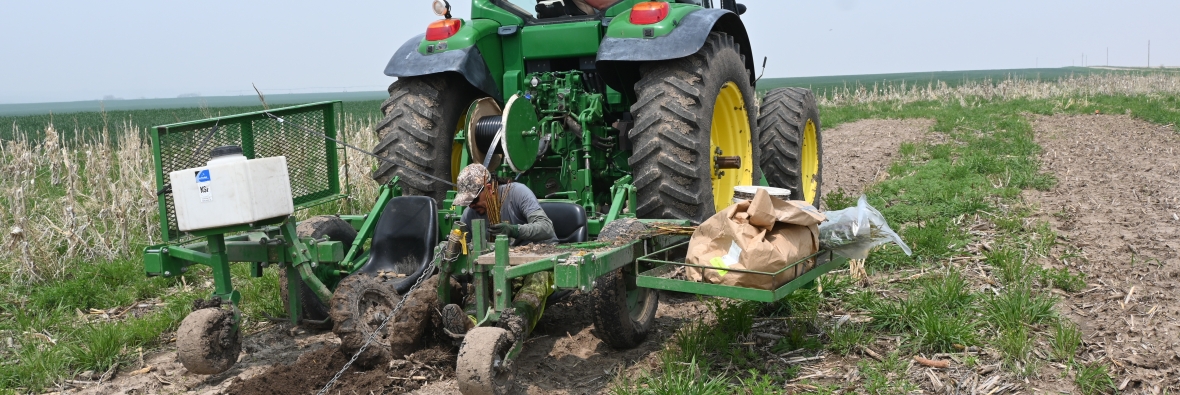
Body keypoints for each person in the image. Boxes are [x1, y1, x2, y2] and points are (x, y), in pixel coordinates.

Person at [442, 164, 556, 339]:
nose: (470, 206)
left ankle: (515, 324)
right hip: (501, 267)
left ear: (489, 188)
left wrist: (515, 230)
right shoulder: (469, 215)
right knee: (482, 281)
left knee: (536, 281)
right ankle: (470, 322)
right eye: (467, 203)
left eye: (473, 200)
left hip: (537, 260)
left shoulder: (517, 193)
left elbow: (546, 228)